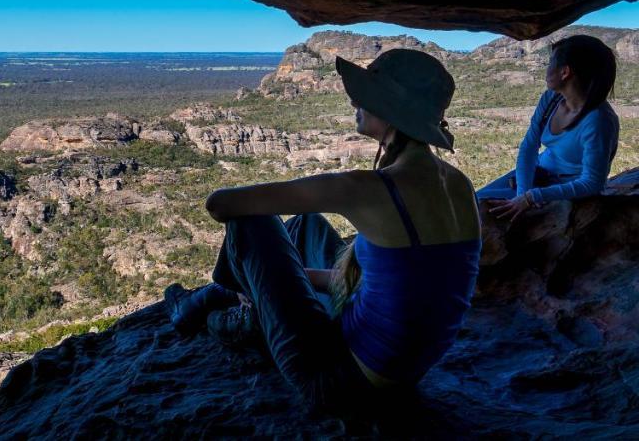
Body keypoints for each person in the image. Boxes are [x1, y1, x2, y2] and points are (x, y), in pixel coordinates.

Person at [163, 49, 482, 410]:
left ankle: (217, 312)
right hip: (400, 369)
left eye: (366, 94)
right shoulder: (459, 185)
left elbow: (219, 204)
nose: (354, 101)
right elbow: (394, 285)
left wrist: (271, 282)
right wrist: (288, 278)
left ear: (391, 108)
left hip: (335, 379)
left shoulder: (371, 189)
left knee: (254, 222)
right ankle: (240, 301)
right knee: (307, 223)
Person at [476, 35, 620, 220]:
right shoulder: (551, 99)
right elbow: (529, 147)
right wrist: (523, 193)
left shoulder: (599, 121)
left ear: (565, 72)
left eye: (551, 62)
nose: (547, 68)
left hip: (569, 193)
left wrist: (532, 198)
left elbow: (593, 183)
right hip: (539, 176)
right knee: (474, 202)